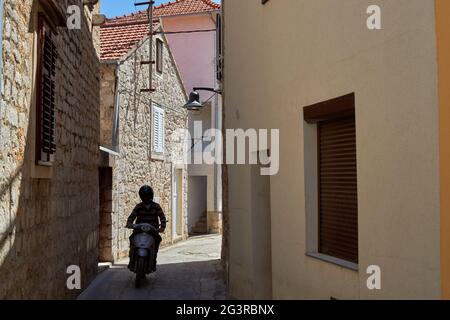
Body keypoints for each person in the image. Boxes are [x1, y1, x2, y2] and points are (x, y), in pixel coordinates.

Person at [126, 185, 166, 272]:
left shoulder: (156, 206)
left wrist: (162, 227)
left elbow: (162, 217)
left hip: (152, 231)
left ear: (150, 196)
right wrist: (129, 223)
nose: (146, 198)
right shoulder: (138, 207)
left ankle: (153, 259)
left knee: (157, 240)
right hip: (139, 230)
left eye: (147, 196)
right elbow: (132, 216)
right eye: (144, 196)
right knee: (132, 238)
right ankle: (132, 259)